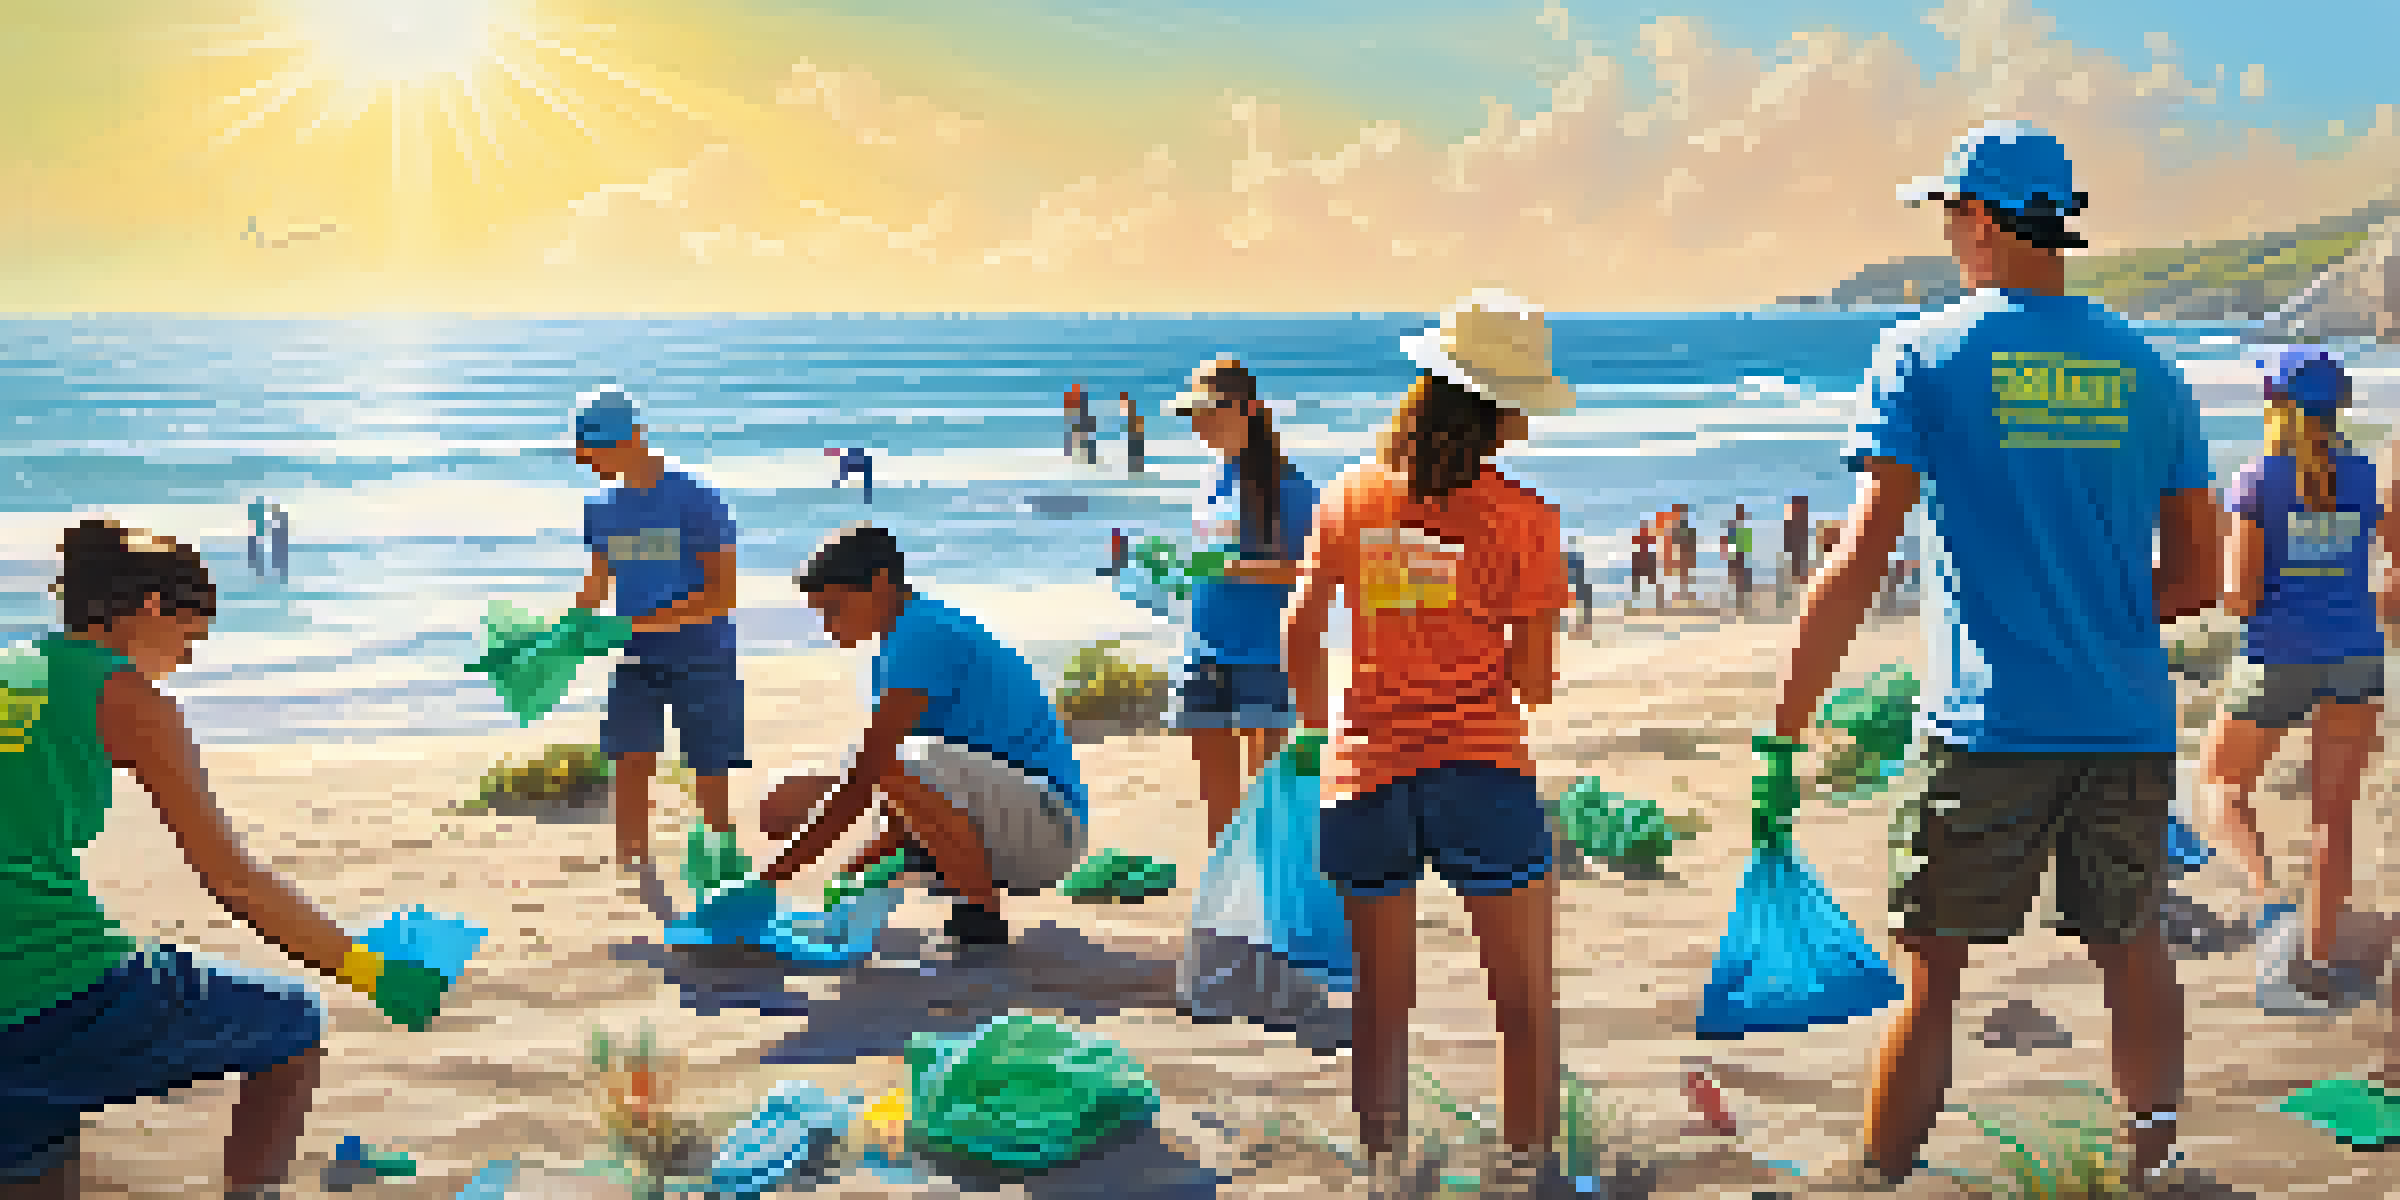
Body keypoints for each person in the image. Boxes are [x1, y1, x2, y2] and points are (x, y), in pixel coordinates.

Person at [1772, 122, 2217, 1187]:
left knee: (1933, 976)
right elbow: (2202, 577)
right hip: (2123, 717)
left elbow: (1861, 552)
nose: (1947, 238)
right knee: (2132, 949)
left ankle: (1881, 1175)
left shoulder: (1923, 354)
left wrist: (1786, 717)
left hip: (1986, 725)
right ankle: (2149, 1164)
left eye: (1949, 216)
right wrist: (2097, 625)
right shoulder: (2150, 372)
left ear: (1979, 220)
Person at [0, 521, 448, 1199]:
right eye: (188, 638)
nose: (182, 660)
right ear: (151, 607)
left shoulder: (13, 668)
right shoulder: (127, 697)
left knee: (36, 1158)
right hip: (52, 986)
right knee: (293, 1021)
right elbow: (232, 880)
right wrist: (368, 969)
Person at [1286, 289, 1576, 1194]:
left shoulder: (1350, 496)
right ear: (1503, 410)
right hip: (1480, 769)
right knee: (1523, 1002)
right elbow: (1532, 683)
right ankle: (1526, 1168)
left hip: (1366, 773)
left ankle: (1384, 1171)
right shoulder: (1524, 518)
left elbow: (1300, 629)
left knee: (1382, 1004)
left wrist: (1315, 730)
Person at [755, 525, 1089, 949]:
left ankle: (979, 912)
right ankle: (941, 873)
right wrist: (859, 872)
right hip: (993, 811)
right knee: (786, 800)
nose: (828, 626)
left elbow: (877, 774)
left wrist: (768, 881)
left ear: (880, 584)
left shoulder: (922, 633)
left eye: (836, 608)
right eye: (820, 612)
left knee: (881, 764)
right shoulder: (894, 645)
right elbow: (912, 786)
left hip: (1048, 828)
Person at [2198, 350, 2393, 1015]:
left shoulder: (2257, 481)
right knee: (2331, 817)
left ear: (2273, 404)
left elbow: (2240, 596)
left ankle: (2272, 902)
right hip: (2355, 655)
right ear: (2337, 409)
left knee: (2219, 787)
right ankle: (2315, 956)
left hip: (2277, 656)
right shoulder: (2366, 477)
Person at [569, 387, 748, 871]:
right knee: (628, 762)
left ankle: (723, 872)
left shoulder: (697, 501)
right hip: (635, 659)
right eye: (585, 455)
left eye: (595, 453)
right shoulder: (601, 508)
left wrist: (630, 623)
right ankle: (634, 871)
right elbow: (598, 581)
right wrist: (569, 632)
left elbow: (720, 597)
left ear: (631, 438)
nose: (590, 465)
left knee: (709, 772)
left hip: (703, 655)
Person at [1168, 357, 1319, 848]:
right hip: (1202, 652)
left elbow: (1314, 574)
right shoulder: (1211, 478)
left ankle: (1265, 907)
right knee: (1217, 804)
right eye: (1194, 413)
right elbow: (1207, 563)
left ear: (1249, 410)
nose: (1200, 423)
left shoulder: (1292, 489)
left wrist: (1234, 569)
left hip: (1263, 657)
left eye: (1211, 411)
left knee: (1263, 799)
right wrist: (1167, 576)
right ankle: (1224, 905)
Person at [1723, 504, 1754, 614]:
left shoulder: (1745, 529)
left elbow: (1748, 545)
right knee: (1737, 582)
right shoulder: (1734, 527)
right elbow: (1731, 543)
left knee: (1743, 582)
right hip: (1738, 557)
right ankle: (1739, 605)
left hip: (1743, 557)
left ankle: (1743, 605)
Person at [1783, 494, 1812, 606]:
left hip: (1800, 550)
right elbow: (1788, 534)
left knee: (1799, 573)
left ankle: (1799, 598)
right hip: (1796, 550)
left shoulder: (1800, 520)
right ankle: (1793, 598)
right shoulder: (1793, 520)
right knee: (1795, 573)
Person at [1671, 503, 1700, 608]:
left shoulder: (1685, 530)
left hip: (1683, 558)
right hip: (1681, 558)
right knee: (1681, 579)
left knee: (1683, 579)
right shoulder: (1675, 530)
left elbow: (1691, 545)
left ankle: (1684, 600)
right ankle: (1681, 600)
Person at [1628, 518, 1660, 613]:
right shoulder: (1640, 538)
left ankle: (1648, 604)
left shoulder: (1650, 538)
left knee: (1649, 583)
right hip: (1641, 562)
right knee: (1638, 584)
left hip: (1647, 561)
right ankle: (1638, 604)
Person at [1122, 391, 1146, 474]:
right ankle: (1136, 471)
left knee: (1136, 457)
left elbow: (1139, 427)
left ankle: (1136, 471)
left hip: (1135, 438)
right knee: (1134, 458)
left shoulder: (1135, 417)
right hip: (1133, 437)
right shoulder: (1132, 417)